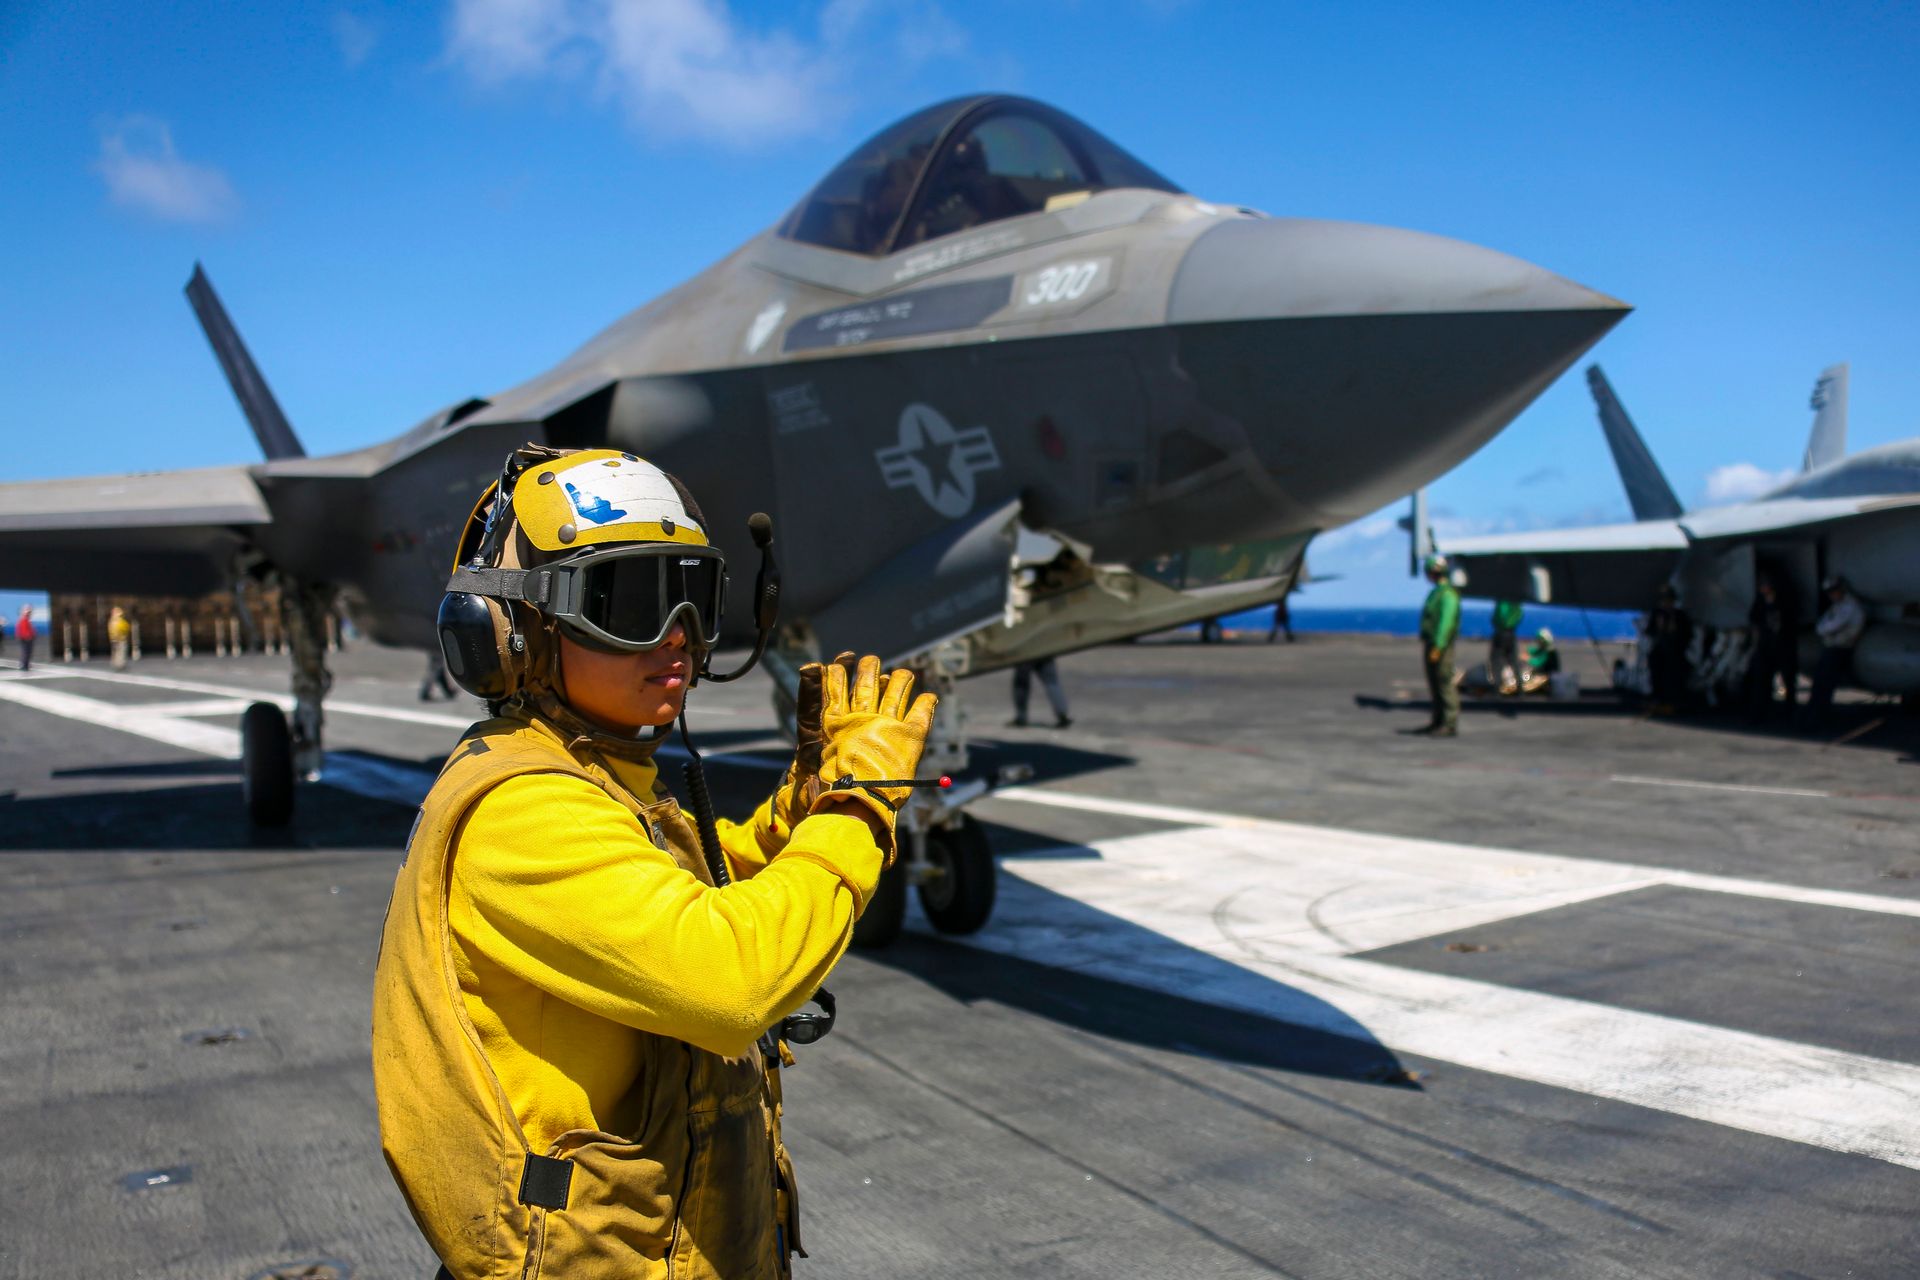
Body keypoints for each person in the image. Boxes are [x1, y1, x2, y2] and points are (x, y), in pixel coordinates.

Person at [372, 445, 934, 1279]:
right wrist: (857, 808)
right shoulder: (522, 808)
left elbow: (697, 889)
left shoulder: (591, 777)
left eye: (693, 598)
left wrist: (801, 804)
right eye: (632, 599)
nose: (677, 638)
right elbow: (728, 978)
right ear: (516, 627)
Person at [1805, 575, 1866, 729]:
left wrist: (1826, 631)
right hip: (1832, 648)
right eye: (1829, 592)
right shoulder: (1838, 606)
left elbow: (1828, 627)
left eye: (1834, 591)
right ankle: (1814, 717)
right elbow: (1822, 627)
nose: (1832, 594)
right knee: (1819, 686)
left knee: (1824, 686)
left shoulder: (1849, 607)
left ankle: (1818, 719)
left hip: (1839, 650)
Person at [1745, 573, 1798, 720]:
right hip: (1765, 647)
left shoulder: (1784, 601)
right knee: (1761, 681)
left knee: (1788, 681)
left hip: (1783, 646)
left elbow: (1790, 620)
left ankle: (1789, 713)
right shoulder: (1760, 602)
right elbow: (1754, 620)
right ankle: (1759, 713)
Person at [1418, 554, 1460, 736]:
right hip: (1432, 644)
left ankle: (1449, 723)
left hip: (1440, 646)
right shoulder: (1436, 592)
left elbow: (1446, 623)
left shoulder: (1447, 594)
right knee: (1434, 683)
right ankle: (1437, 721)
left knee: (1444, 683)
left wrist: (1439, 646)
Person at [1645, 584, 1692, 714]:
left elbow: (1687, 635)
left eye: (1669, 600)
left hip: (1675, 651)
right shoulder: (1658, 614)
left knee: (1674, 673)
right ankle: (1658, 698)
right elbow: (1650, 631)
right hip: (1660, 650)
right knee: (1656, 670)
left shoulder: (1679, 615)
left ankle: (1672, 700)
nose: (1666, 603)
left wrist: (1676, 635)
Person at [1009, 655, 1071, 728]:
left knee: (1021, 685)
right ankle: (1062, 715)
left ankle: (1021, 718)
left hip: (1026, 654)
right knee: (1052, 683)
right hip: (1045, 651)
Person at [1489, 599, 1523, 694]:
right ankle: (1520, 688)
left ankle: (1496, 689)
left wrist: (1497, 623)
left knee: (1497, 661)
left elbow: (1500, 614)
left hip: (1501, 632)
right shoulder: (1516, 602)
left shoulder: (1503, 600)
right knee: (1513, 660)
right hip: (1511, 632)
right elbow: (1520, 614)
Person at [108, 606, 132, 671]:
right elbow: (125, 628)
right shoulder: (117, 621)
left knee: (118, 651)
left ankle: (118, 663)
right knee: (119, 652)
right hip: (119, 639)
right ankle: (119, 664)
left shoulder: (114, 621)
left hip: (117, 639)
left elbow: (127, 628)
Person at [15, 606, 35, 671]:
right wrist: (27, 636)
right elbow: (24, 630)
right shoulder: (24, 619)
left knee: (27, 652)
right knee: (26, 651)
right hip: (26, 638)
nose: (30, 613)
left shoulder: (26, 619)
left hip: (27, 638)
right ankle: (24, 665)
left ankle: (25, 664)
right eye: (28, 611)